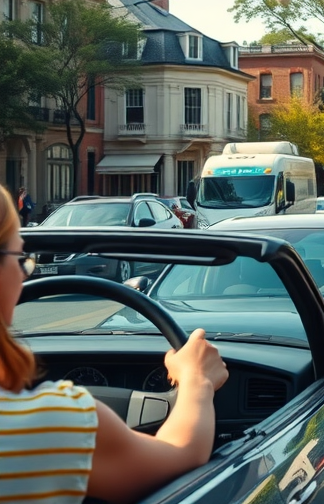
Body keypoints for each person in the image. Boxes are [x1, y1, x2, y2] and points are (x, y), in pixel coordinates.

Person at [0, 187, 230, 503]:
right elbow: (183, 455)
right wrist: (197, 380)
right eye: (21, 259)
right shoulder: (46, 422)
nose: (24, 274)